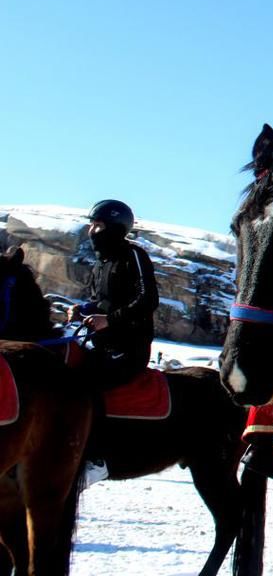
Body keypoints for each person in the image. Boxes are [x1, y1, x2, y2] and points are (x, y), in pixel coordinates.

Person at [68, 199, 160, 484]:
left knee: (87, 383)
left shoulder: (133, 255)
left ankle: (96, 458)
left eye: (98, 225)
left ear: (115, 227)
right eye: (92, 224)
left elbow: (148, 300)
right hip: (102, 343)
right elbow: (101, 300)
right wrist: (83, 309)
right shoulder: (101, 263)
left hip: (130, 347)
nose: (92, 230)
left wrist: (111, 320)